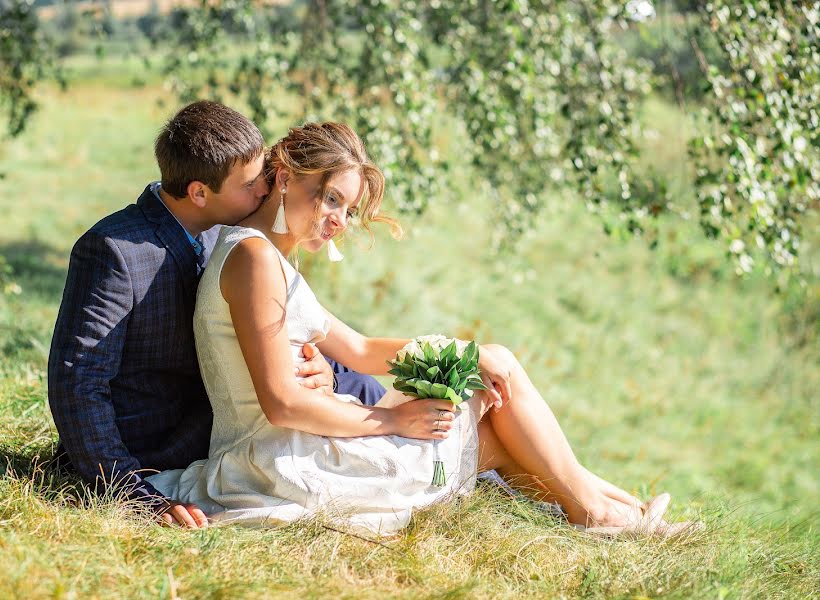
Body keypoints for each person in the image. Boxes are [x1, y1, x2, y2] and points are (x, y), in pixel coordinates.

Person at [145, 122, 693, 537]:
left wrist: (463, 350)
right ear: (285, 177)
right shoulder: (254, 259)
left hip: (293, 450)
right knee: (488, 415)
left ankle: (619, 513)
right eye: (330, 198)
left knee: (488, 383)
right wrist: (390, 417)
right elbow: (283, 404)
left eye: (347, 209)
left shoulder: (266, 258)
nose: (337, 220)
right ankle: (608, 513)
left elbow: (357, 350)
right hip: (281, 463)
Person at [47, 101, 386, 529]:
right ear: (200, 192)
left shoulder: (224, 231)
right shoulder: (116, 251)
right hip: (160, 450)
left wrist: (320, 370)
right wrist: (129, 490)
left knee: (350, 376)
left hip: (228, 414)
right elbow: (78, 383)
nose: (265, 189)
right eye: (250, 184)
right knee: (364, 401)